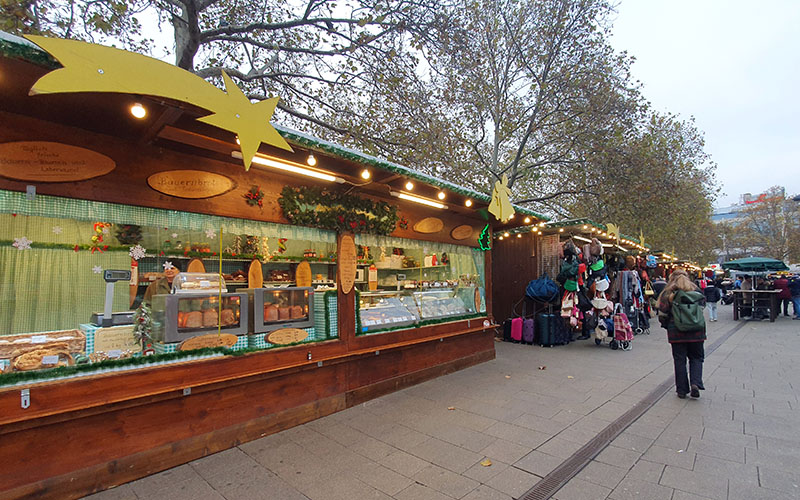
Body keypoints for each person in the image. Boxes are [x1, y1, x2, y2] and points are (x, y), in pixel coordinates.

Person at [657, 268, 706, 399]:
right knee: (696, 358)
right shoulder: (695, 290)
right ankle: (695, 383)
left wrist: (667, 325)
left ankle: (682, 390)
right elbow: (702, 307)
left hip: (676, 332)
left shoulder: (668, 293)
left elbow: (662, 313)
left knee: (680, 361)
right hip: (697, 332)